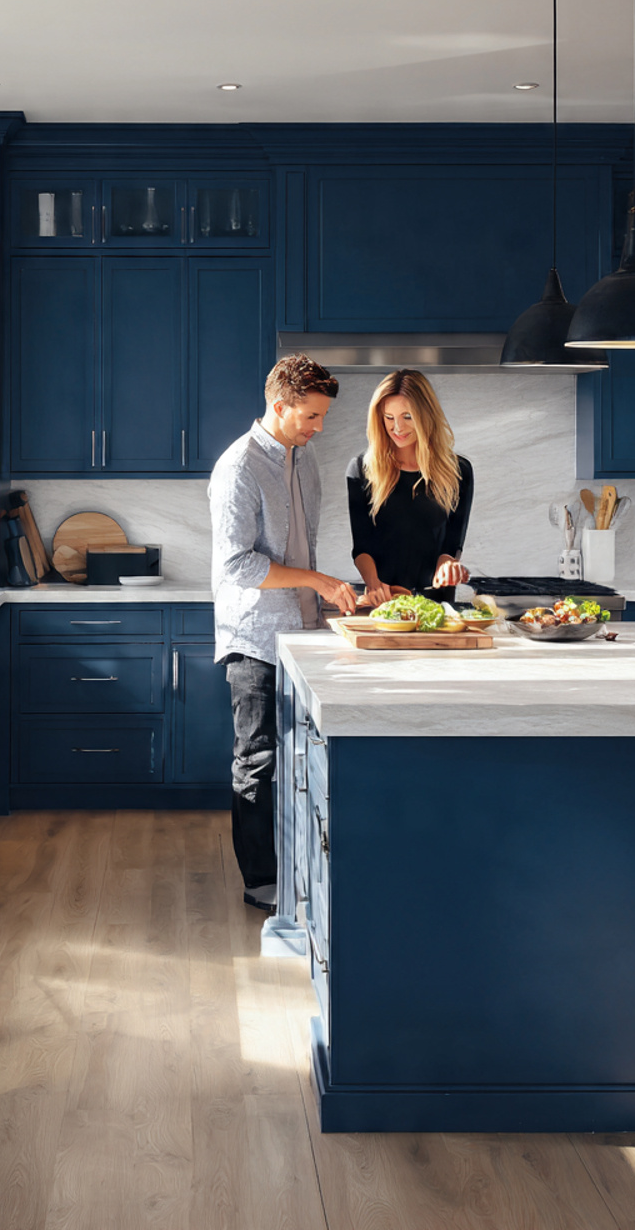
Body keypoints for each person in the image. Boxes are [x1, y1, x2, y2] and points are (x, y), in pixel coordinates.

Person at [209, 354, 357, 914]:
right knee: (259, 759)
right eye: (311, 416)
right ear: (280, 406)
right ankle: (261, 882)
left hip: (302, 629)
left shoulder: (305, 457)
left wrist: (325, 598)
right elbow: (237, 566)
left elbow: (302, 546)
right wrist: (318, 580)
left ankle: (299, 872)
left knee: (301, 759)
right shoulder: (239, 468)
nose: (319, 427)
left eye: (321, 416)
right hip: (255, 638)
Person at [347, 369, 474, 607]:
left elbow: (452, 543)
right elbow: (362, 545)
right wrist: (373, 584)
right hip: (384, 600)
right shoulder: (361, 469)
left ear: (426, 415)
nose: (397, 427)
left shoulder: (458, 471)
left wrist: (447, 566)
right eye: (389, 417)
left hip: (437, 603)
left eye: (407, 416)